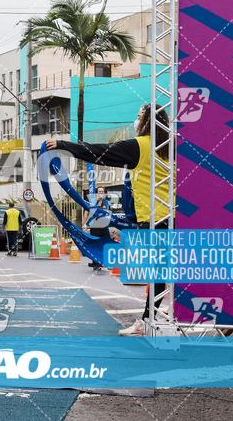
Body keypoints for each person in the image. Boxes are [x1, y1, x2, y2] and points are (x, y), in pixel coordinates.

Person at [46, 104, 171, 337]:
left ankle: (150, 320)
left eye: (138, 116)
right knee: (170, 271)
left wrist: (64, 146)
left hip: (155, 219)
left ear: (146, 122)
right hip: (177, 216)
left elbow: (99, 152)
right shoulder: (171, 146)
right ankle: (158, 317)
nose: (135, 120)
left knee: (157, 273)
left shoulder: (140, 146)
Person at [82, 187, 112, 269]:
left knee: (107, 244)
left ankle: (105, 262)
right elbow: (86, 213)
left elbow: (110, 216)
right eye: (99, 191)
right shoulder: (92, 202)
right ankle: (96, 264)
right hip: (95, 227)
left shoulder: (107, 203)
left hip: (104, 226)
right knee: (95, 245)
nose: (101, 193)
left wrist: (113, 227)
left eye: (102, 191)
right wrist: (84, 224)